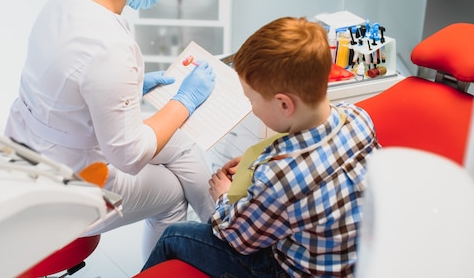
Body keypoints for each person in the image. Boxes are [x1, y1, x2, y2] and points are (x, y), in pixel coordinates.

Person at [4, 0, 216, 258]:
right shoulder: (109, 48)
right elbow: (129, 155)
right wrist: (184, 102)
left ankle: (222, 232)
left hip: (30, 148)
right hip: (72, 185)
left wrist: (130, 88)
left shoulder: (63, 2)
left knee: (184, 149)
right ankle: (220, 244)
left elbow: (72, 79)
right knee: (174, 194)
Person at [141, 17, 381, 277]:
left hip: (293, 270)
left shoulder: (280, 176)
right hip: (355, 259)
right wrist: (260, 161)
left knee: (174, 236)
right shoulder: (358, 118)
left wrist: (223, 195)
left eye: (251, 100)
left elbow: (235, 237)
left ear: (284, 104)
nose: (251, 108)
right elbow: (317, 156)